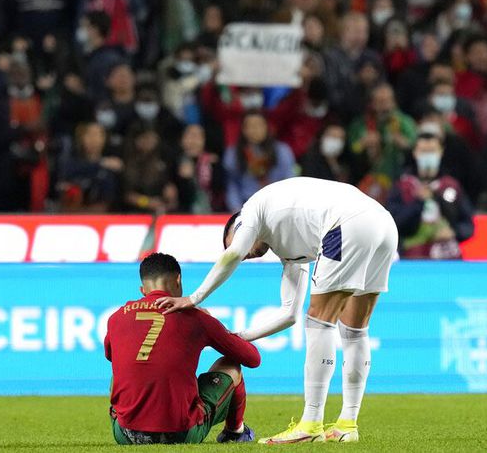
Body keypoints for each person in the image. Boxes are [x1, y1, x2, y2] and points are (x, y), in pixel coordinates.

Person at [156, 177, 399, 443]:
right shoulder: (291, 244)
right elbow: (289, 315)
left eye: (233, 242)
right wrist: (237, 337)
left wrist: (194, 297)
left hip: (347, 223)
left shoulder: (250, 212)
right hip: (383, 223)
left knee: (319, 322)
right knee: (354, 330)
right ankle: (347, 424)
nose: (245, 255)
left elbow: (233, 253)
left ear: (236, 227)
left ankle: (311, 423)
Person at [105, 253, 260, 445]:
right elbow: (253, 358)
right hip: (182, 433)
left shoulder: (116, 317)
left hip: (125, 434)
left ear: (143, 289)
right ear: (178, 280)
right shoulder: (195, 318)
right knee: (231, 365)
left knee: (122, 371)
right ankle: (235, 432)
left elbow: (112, 356)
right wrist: (216, 326)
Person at [386, 132, 475, 259]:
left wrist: (454, 232)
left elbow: (468, 224)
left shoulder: (450, 185)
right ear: (415, 152)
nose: (428, 156)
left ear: (441, 152)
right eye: (423, 151)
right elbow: (393, 224)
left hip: (448, 257)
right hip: (413, 258)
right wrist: (418, 202)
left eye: (432, 151)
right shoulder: (402, 186)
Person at [223, 111, 295, 211]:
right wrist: (237, 211)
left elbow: (290, 182)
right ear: (243, 130)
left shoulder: (282, 151)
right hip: (247, 207)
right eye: (251, 126)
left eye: (259, 125)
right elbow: (232, 186)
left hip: (278, 207)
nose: (255, 130)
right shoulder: (233, 155)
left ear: (266, 128)